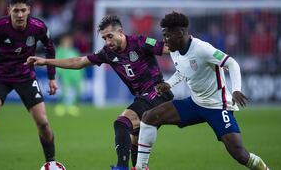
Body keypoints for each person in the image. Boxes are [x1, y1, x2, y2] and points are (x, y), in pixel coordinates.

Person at [26, 15, 173, 170]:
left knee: (122, 123)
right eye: (104, 38)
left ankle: (120, 167)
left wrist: (192, 49)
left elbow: (170, 48)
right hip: (143, 99)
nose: (108, 42)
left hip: (158, 93)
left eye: (110, 36)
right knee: (135, 137)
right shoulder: (107, 53)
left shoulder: (140, 42)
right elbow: (79, 62)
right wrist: (46, 61)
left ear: (120, 32)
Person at [135, 12, 270, 170]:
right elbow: (182, 70)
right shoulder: (174, 49)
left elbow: (232, 63)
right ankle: (140, 167)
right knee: (149, 117)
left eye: (167, 35)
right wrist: (169, 84)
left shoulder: (202, 49)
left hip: (217, 106)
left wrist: (236, 90)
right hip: (196, 103)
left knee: (239, 154)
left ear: (180, 33)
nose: (164, 40)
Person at [0, 0, 58, 170]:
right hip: (0, 76)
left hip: (26, 77)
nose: (20, 15)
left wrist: (51, 77)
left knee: (43, 122)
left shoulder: (38, 27)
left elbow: (50, 48)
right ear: (8, 11)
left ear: (29, 11)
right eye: (16, 11)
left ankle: (51, 163)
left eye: (23, 10)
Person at [54, 34, 84, 116]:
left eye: (69, 41)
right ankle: (61, 107)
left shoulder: (74, 51)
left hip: (75, 75)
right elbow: (57, 62)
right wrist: (58, 73)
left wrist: (81, 73)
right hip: (65, 75)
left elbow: (81, 62)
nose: (68, 43)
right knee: (64, 91)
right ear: (62, 42)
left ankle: (72, 107)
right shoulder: (60, 51)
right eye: (66, 41)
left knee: (76, 91)